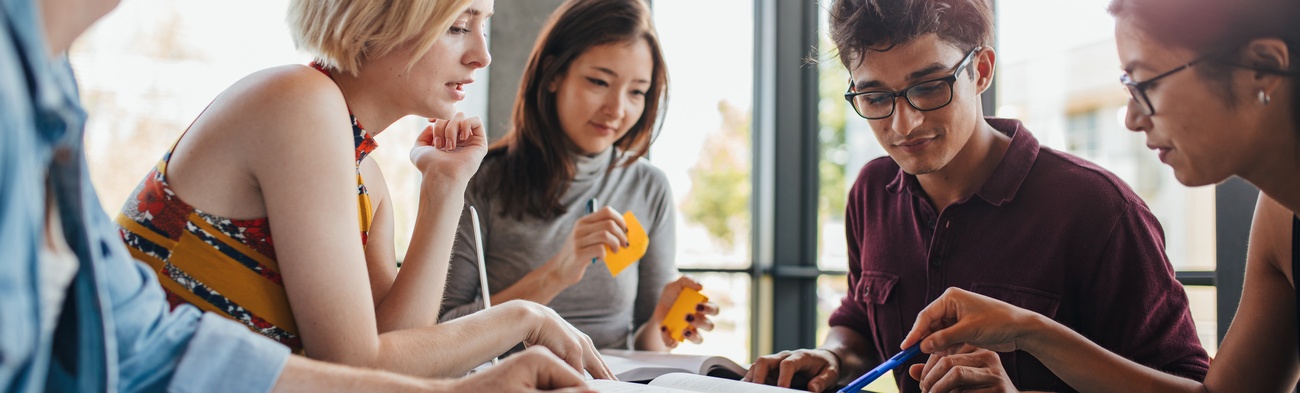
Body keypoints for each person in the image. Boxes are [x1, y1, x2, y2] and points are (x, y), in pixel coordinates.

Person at [0, 0, 596, 391]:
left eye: (483, 27)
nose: (482, 54)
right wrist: (526, 319)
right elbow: (354, 365)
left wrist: (443, 188)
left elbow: (395, 346)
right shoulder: (298, 103)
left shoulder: (365, 172)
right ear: (376, 19)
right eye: (458, 26)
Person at [742, 0, 1210, 391]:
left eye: (928, 88)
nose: (903, 125)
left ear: (981, 70)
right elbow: (860, 322)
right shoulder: (871, 192)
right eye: (875, 98)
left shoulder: (1100, 209)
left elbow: (1186, 384)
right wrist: (833, 355)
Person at [902, 0, 1300, 392]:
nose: (1131, 117)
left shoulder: (1102, 204)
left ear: (1262, 68)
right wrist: (1028, 329)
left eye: (1147, 82)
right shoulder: (1280, 216)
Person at [439, 0, 718, 352]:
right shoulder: (480, 179)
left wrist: (661, 324)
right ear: (554, 74)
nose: (617, 109)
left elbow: (648, 351)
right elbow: (438, 333)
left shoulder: (649, 187)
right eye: (599, 81)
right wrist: (558, 272)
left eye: (636, 92)